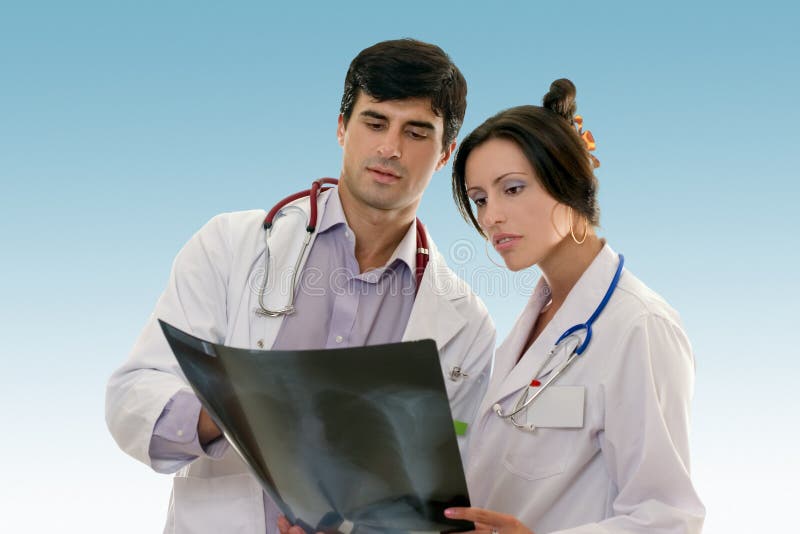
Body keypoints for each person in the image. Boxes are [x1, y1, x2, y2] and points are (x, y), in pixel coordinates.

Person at [105, 38, 495, 534]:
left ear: (445, 155)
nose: (390, 148)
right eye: (375, 122)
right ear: (341, 127)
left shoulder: (465, 325)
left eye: (417, 132)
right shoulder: (229, 247)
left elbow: (437, 501)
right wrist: (235, 413)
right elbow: (131, 399)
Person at [443, 79, 705, 533]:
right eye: (480, 199)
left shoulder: (640, 327)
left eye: (513, 188)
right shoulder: (538, 321)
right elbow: (493, 442)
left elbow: (668, 518)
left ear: (568, 184)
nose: (490, 217)